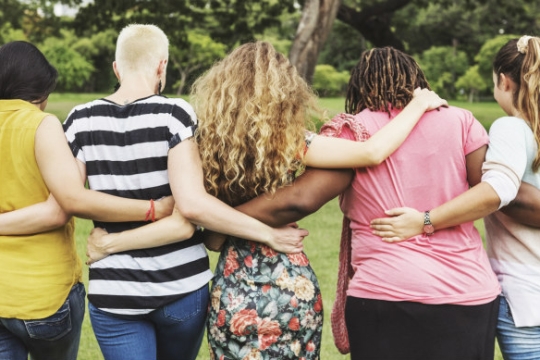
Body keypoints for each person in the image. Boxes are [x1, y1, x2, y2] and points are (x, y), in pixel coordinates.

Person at [85, 41, 446, 359]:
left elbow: (204, 228)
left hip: (233, 286)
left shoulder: (203, 144)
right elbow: (370, 152)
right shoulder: (290, 142)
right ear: (285, 90)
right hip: (290, 283)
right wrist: (417, 104)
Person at [211, 46, 505, 360]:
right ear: (417, 79)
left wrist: (220, 222)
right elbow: (486, 192)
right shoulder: (462, 121)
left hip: (386, 291)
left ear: (359, 86)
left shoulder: (353, 131)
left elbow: (300, 200)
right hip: (469, 289)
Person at [0, 41, 175, 360]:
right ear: (40, 91)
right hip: (43, 295)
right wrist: (153, 208)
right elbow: (61, 208)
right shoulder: (41, 123)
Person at [370, 36, 540, 360]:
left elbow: (498, 190)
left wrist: (424, 221)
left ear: (503, 81)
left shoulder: (511, 128)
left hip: (527, 299)